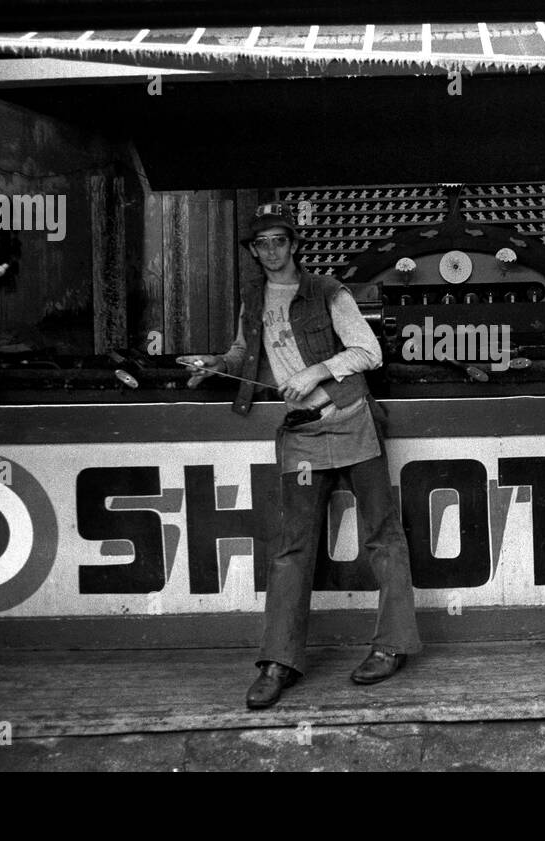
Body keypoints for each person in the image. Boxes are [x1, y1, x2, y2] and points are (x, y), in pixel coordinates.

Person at [177, 201, 422, 709]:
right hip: (304, 437)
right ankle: (278, 662)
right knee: (291, 550)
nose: (270, 251)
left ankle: (392, 645)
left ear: (294, 244)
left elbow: (368, 352)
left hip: (351, 421)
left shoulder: (328, 291)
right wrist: (215, 363)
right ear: (252, 250)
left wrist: (314, 373)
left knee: (382, 537)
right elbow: (245, 353)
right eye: (260, 243)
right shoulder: (253, 299)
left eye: (278, 241)